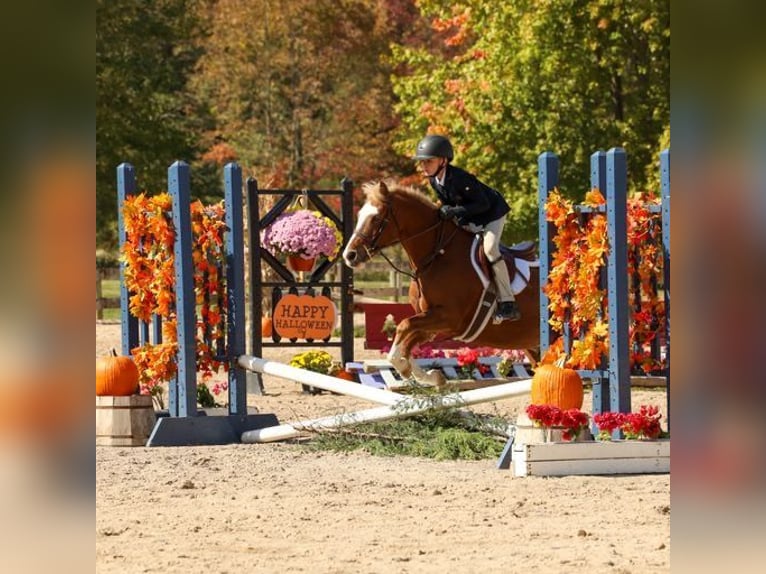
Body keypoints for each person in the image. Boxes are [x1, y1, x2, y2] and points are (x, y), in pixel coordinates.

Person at [414, 134, 521, 322]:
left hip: (492, 214)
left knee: (489, 249)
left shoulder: (461, 178)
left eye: (429, 161)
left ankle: (507, 303)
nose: (424, 166)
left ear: (443, 161)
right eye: (422, 162)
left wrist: (454, 211)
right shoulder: (434, 181)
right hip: (471, 217)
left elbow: (483, 205)